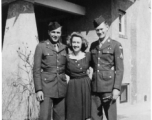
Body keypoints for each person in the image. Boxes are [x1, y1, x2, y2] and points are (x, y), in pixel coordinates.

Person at [90, 15, 124, 120]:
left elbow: (120, 69)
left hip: (108, 89)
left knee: (111, 117)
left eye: (101, 29)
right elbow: (92, 64)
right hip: (95, 88)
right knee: (95, 117)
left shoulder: (116, 45)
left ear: (107, 27)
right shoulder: (93, 45)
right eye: (97, 30)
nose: (100, 32)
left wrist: (116, 88)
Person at [33, 21, 67, 120]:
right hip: (46, 87)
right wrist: (39, 89)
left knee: (60, 117)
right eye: (53, 32)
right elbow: (36, 70)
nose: (55, 35)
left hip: (61, 87)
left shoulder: (64, 48)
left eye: (58, 32)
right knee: (44, 117)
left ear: (60, 33)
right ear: (48, 32)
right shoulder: (41, 46)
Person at [66, 32, 91, 120]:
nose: (75, 45)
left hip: (85, 86)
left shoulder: (88, 55)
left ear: (82, 43)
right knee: (73, 112)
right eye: (74, 42)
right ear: (70, 43)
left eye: (78, 42)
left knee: (86, 113)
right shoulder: (67, 57)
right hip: (72, 87)